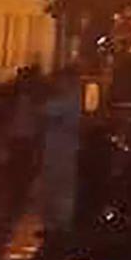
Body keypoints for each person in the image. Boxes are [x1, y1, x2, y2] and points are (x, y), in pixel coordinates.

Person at [40, 68, 81, 238]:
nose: (58, 84)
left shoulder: (69, 100)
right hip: (60, 149)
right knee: (55, 189)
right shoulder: (74, 98)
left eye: (61, 80)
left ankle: (59, 227)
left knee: (59, 189)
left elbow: (45, 111)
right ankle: (56, 226)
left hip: (62, 150)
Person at [8, 67, 43, 202]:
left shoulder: (34, 98)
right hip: (18, 136)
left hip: (26, 137)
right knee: (17, 166)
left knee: (24, 166)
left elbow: (38, 118)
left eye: (24, 79)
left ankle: (21, 193)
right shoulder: (16, 96)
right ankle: (18, 193)